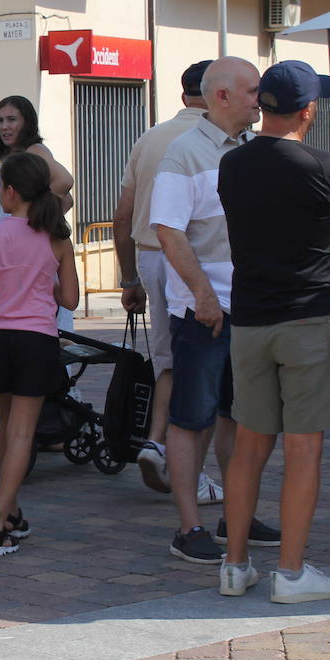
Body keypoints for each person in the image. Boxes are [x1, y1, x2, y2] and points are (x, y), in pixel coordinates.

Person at [216, 60, 330, 603]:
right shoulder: (329, 165)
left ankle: (235, 565)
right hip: (307, 318)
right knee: (304, 448)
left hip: (249, 319)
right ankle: (292, 573)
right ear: (309, 109)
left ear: (262, 105)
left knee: (249, 446)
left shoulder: (233, 165)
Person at [150, 56, 279, 565]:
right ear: (222, 96)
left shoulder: (250, 148)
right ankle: (189, 526)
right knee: (191, 419)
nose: (259, 98)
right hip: (204, 311)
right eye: (251, 90)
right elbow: (168, 229)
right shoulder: (184, 153)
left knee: (237, 416)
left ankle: (236, 516)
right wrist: (203, 295)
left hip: (248, 306)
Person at [113, 60, 226, 503]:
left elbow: (122, 215)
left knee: (168, 357)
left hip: (151, 257)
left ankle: (157, 441)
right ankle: (180, 462)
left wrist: (127, 277)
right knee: (202, 365)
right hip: (200, 260)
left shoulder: (150, 137)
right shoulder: (222, 143)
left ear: (183, 96)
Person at [0, 152, 78, 557]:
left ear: (10, 192)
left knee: (7, 425)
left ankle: (11, 513)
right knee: (22, 435)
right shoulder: (56, 238)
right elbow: (70, 298)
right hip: (36, 339)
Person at [0, 95, 75, 220]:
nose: (4, 126)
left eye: (12, 119)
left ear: (27, 122)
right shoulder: (12, 154)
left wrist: (29, 215)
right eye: (0, 120)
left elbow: (65, 181)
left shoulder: (35, 150)